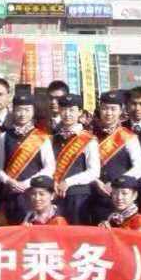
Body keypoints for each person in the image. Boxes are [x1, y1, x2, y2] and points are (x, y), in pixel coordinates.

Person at [0, 92, 55, 225]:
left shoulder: (42, 137)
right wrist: (9, 181)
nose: (22, 114)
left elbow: (49, 167)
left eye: (27, 110)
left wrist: (28, 183)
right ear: (13, 110)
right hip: (9, 194)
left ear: (33, 111)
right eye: (19, 110)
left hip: (33, 195)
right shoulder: (4, 136)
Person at [90, 91, 141, 224]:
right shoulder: (90, 135)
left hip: (121, 198)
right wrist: (95, 181)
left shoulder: (128, 136)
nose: (108, 113)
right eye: (105, 108)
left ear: (121, 110)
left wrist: (116, 183)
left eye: (113, 109)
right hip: (94, 196)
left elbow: (140, 168)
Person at [52, 93, 100, 225]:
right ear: (59, 111)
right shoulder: (53, 138)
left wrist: (68, 182)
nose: (67, 114)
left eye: (72, 110)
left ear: (79, 112)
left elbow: (94, 171)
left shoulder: (88, 139)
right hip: (56, 195)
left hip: (79, 196)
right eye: (64, 109)